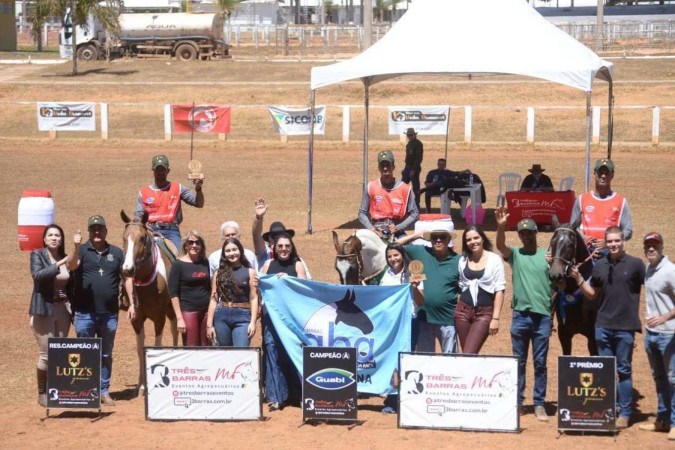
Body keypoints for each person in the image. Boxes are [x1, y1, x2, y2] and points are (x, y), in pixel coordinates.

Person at [572, 225, 645, 429]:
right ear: (606, 242)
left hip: (625, 327)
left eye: (617, 241)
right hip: (602, 325)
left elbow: (654, 285)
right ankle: (609, 409)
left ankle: (625, 412)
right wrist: (578, 279)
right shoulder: (600, 265)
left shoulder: (636, 265)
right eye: (610, 241)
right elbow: (592, 294)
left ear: (623, 241)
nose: (613, 244)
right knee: (606, 370)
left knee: (623, 369)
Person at [496, 208, 553, 421]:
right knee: (518, 361)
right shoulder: (516, 255)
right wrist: (501, 226)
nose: (526, 236)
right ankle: (518, 402)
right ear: (519, 235)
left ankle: (539, 404)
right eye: (522, 233)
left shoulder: (546, 256)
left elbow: (558, 280)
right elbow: (500, 245)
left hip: (542, 317)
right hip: (520, 315)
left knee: (540, 362)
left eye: (529, 232)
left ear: (536, 233)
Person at [70, 215, 126, 406]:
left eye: (100, 228)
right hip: (84, 313)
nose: (96, 232)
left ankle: (103, 391)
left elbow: (126, 278)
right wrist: (76, 247)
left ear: (106, 231)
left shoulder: (117, 253)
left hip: (109, 313)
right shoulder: (82, 251)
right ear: (88, 231)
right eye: (93, 229)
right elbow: (71, 266)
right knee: (86, 353)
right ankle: (87, 391)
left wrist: (132, 302)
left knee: (105, 354)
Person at [29, 224, 80, 407]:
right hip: (44, 310)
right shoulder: (38, 255)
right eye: (50, 235)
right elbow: (38, 275)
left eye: (57, 235)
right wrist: (59, 263)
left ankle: (56, 390)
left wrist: (76, 248)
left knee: (59, 351)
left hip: (63, 310)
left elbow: (73, 267)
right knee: (46, 354)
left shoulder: (64, 255)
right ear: (44, 239)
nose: (54, 238)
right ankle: (42, 393)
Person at [260, 232, 307, 411]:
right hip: (271, 318)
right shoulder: (267, 265)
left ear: (291, 247)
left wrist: (287, 280)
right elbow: (260, 288)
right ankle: (276, 396)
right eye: (280, 246)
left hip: (291, 319)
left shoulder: (298, 265)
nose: (284, 249)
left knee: (293, 353)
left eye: (287, 246)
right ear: (274, 248)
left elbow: (304, 290)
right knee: (272, 352)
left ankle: (300, 395)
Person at [397, 225, 460, 353]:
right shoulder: (421, 252)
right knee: (424, 359)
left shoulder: (458, 260)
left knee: (451, 360)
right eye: (434, 237)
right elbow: (394, 246)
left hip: (447, 319)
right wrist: (417, 235)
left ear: (449, 240)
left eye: (442, 237)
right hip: (424, 319)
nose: (438, 240)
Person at [379, 241, 424, 414]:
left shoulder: (414, 273)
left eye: (396, 255)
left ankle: (405, 399)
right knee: (392, 361)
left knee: (405, 359)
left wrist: (415, 288)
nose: (393, 259)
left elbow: (421, 302)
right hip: (391, 324)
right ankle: (392, 398)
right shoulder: (386, 275)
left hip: (409, 322)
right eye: (389, 256)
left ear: (402, 255)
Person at [638, 232, 675, 440]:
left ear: (662, 247)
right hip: (651, 335)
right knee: (659, 379)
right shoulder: (648, 270)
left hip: (669, 335)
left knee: (673, 380)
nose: (651, 249)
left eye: (655, 245)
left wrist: (665, 317)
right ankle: (662, 420)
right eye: (648, 246)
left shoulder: (670, 271)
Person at [134, 154, 204, 250]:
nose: (160, 172)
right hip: (151, 230)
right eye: (157, 169)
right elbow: (138, 216)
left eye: (163, 169)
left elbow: (199, 204)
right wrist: (144, 226)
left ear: (168, 171)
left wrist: (198, 189)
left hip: (171, 231)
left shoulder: (177, 188)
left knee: (180, 256)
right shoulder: (143, 192)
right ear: (153, 171)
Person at [455, 226, 506, 354]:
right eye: (469, 240)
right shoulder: (462, 260)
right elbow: (461, 285)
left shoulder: (494, 259)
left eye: (476, 238)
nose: (473, 242)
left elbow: (500, 289)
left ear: (482, 238)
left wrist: (495, 318)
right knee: (468, 354)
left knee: (468, 354)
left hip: (484, 313)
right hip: (462, 311)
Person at [570, 158, 633, 256]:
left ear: (612, 175)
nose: (603, 176)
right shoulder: (581, 199)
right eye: (600, 173)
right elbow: (573, 227)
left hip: (610, 254)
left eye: (606, 173)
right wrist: (583, 239)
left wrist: (609, 242)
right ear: (594, 173)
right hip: (584, 254)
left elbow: (628, 231)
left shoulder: (621, 201)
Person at [206, 238, 259, 348]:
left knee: (241, 350)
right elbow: (213, 299)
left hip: (243, 316)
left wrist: (253, 322)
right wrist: (209, 325)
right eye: (228, 251)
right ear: (224, 254)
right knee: (224, 352)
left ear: (240, 250)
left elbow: (254, 298)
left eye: (234, 249)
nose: (232, 253)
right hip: (221, 315)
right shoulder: (218, 273)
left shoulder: (250, 272)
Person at [359, 149, 420, 240]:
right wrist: (371, 229)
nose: (385, 168)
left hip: (397, 231)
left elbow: (415, 214)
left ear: (393, 167)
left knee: (408, 249)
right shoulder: (371, 186)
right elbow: (362, 213)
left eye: (388, 165)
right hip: (375, 230)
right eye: (382, 165)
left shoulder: (404, 188)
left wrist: (398, 227)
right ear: (379, 168)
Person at [169, 231, 211, 346]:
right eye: (191, 242)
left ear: (201, 246)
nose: (194, 245)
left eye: (197, 242)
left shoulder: (206, 263)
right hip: (188, 311)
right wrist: (179, 318)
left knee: (206, 346)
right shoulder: (178, 265)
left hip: (206, 312)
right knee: (191, 346)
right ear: (185, 245)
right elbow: (173, 293)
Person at [251, 197, 311, 277]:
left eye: (281, 235)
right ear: (268, 238)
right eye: (274, 236)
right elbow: (256, 235)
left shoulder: (298, 262)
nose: (283, 248)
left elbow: (306, 283)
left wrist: (287, 279)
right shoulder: (264, 253)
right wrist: (259, 218)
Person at [401, 127, 423, 208]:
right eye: (408, 135)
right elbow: (408, 158)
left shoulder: (418, 144)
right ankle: (404, 204)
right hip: (408, 167)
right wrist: (405, 168)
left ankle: (417, 204)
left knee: (416, 187)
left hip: (414, 168)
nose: (409, 136)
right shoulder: (409, 144)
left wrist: (413, 170)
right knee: (402, 186)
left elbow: (418, 158)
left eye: (411, 135)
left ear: (414, 135)